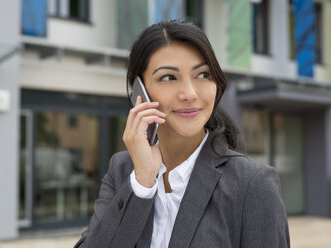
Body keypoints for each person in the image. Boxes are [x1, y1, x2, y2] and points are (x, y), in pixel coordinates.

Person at [73, 20, 290, 248]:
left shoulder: (252, 183)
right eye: (168, 77)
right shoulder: (123, 169)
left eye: (203, 74)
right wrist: (142, 183)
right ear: (140, 92)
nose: (189, 93)